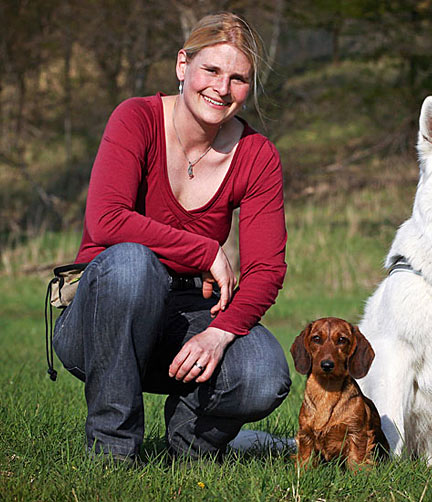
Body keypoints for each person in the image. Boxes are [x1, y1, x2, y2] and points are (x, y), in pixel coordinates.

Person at [53, 12, 291, 463]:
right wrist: (204, 249)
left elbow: (266, 269)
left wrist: (219, 333)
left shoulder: (257, 156)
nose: (222, 89)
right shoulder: (135, 118)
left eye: (238, 78)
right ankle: (112, 452)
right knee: (131, 265)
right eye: (212, 70)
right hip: (100, 316)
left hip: (187, 314)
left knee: (264, 372)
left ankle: (189, 448)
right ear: (183, 65)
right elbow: (106, 219)